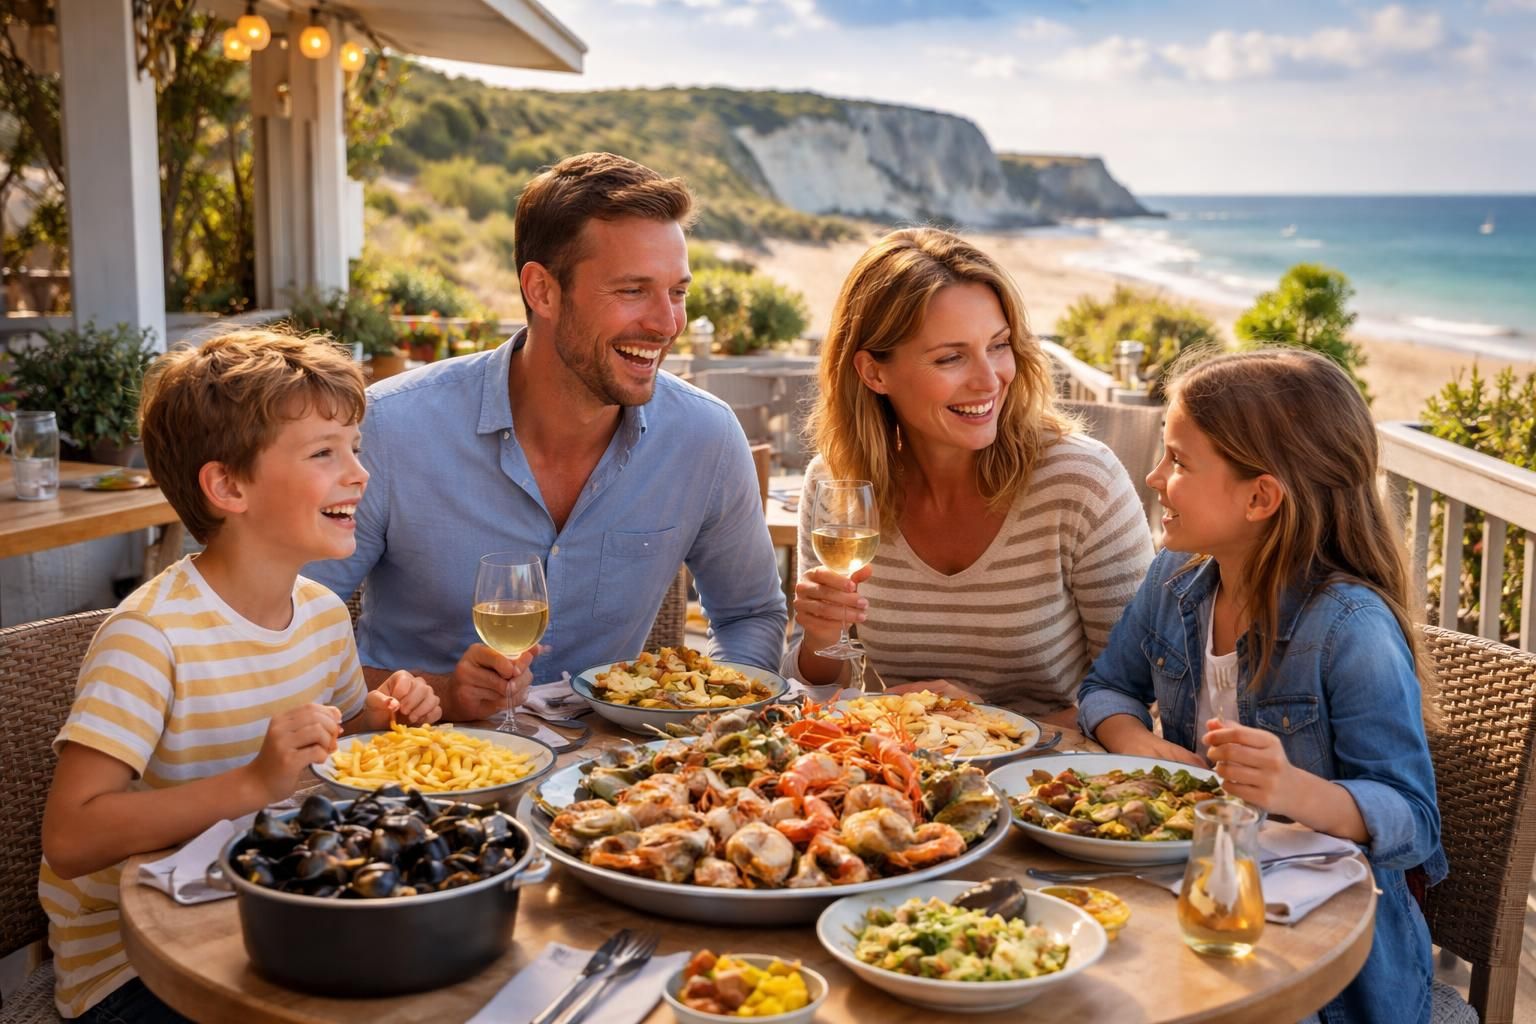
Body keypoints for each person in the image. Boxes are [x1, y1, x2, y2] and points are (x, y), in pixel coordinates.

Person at [39, 330, 441, 1021]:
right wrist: (252, 783)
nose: (360, 474)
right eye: (324, 453)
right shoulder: (150, 638)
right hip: (136, 966)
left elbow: (329, 756)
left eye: (355, 448)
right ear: (228, 486)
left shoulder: (321, 613)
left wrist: (376, 719)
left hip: (268, 911)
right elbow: (70, 839)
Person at [306, 153, 786, 721]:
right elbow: (286, 636)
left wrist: (710, 716)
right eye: (633, 290)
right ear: (542, 290)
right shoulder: (389, 428)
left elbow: (750, 614)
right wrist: (442, 693)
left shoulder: (705, 436)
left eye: (677, 292)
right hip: (422, 760)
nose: (666, 323)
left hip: (617, 765)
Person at [1077, 348, 1445, 1023]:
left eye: (1178, 461)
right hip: (1196, 899)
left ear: (1260, 497)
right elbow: (1106, 687)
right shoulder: (1174, 581)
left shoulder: (1350, 630)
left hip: (1328, 974)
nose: (1154, 478)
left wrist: (1292, 790)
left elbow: (1414, 821)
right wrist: (1135, 741)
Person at [784, 228, 1153, 723]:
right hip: (897, 761)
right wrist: (820, 634)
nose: (989, 379)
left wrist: (983, 723)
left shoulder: (1082, 482)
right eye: (951, 357)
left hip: (1055, 763)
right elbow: (818, 691)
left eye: (999, 345)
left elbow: (1141, 691)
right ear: (874, 373)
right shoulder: (838, 485)